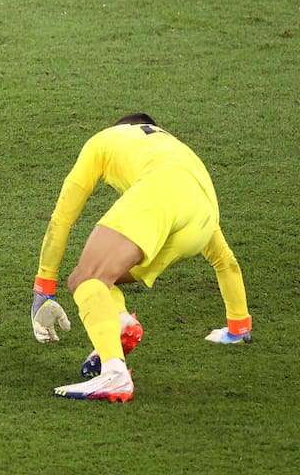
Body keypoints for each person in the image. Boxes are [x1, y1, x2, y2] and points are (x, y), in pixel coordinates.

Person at [30, 113, 253, 403]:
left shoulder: (105, 140)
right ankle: (120, 322)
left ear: (123, 127)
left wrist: (43, 290)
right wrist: (237, 326)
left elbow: (61, 218)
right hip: (204, 215)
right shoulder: (175, 150)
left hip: (159, 193)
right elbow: (226, 261)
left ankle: (114, 374)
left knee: (85, 279)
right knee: (103, 278)